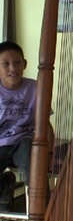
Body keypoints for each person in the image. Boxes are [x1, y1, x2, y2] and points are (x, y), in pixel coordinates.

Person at [0, 41, 36, 211]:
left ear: (25, 64)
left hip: (23, 140)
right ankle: (6, 186)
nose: (12, 68)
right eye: (5, 64)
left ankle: (41, 207)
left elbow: (44, 121)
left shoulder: (35, 87)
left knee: (34, 163)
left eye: (17, 62)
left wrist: (49, 153)